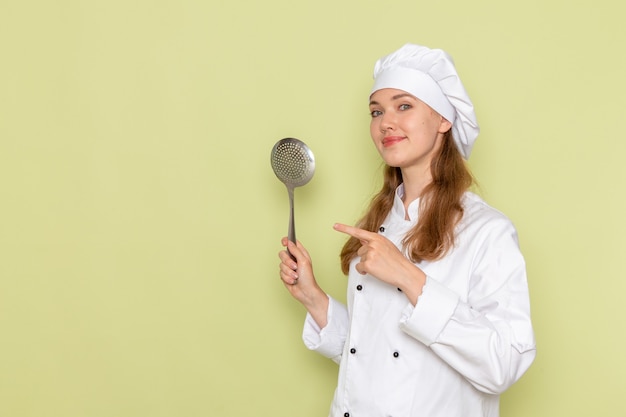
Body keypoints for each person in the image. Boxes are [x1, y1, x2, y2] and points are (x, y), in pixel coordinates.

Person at [277, 43, 536, 417]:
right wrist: (313, 298)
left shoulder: (487, 232)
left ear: (444, 119)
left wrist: (409, 278)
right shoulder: (379, 223)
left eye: (404, 106)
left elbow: (504, 364)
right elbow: (371, 359)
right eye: (376, 111)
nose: (386, 123)